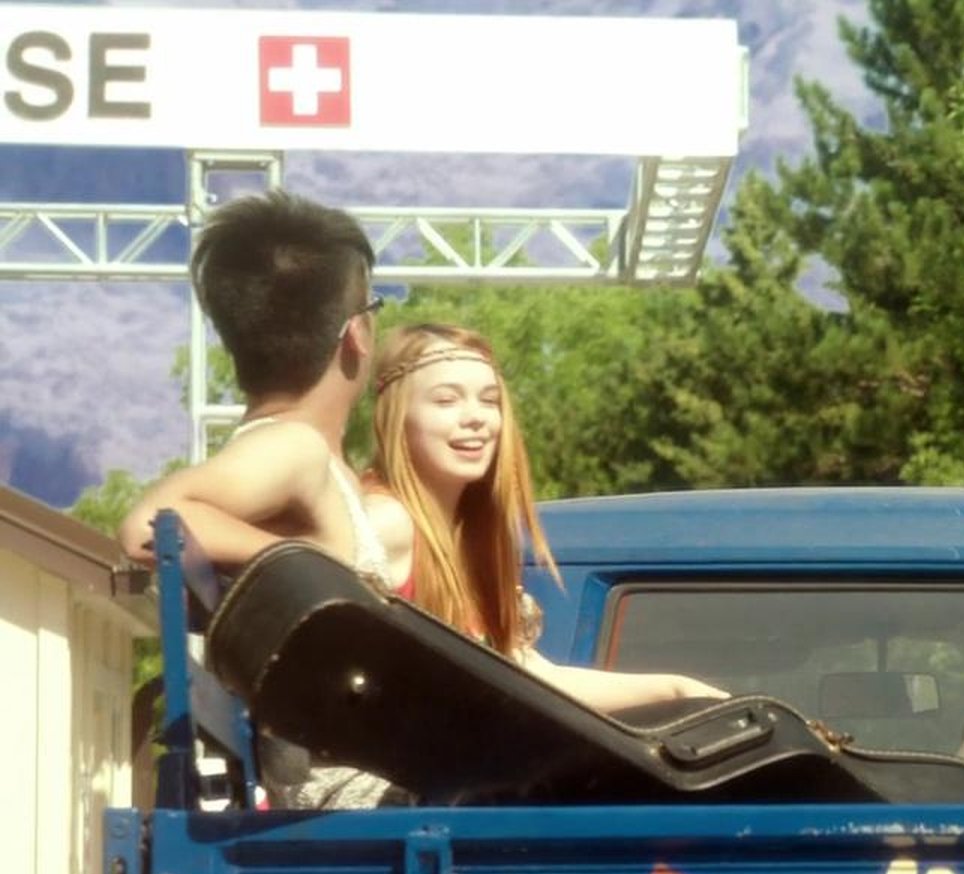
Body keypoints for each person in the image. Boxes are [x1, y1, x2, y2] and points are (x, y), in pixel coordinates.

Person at [363, 322, 724, 712]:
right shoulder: (387, 522)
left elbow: (524, 674)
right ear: (395, 416)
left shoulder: (469, 537)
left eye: (489, 400)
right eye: (446, 400)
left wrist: (676, 690)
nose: (475, 417)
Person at [118, 190, 385, 579]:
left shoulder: (301, 453)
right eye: (374, 305)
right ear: (357, 331)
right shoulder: (293, 447)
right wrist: (312, 563)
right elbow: (149, 526)